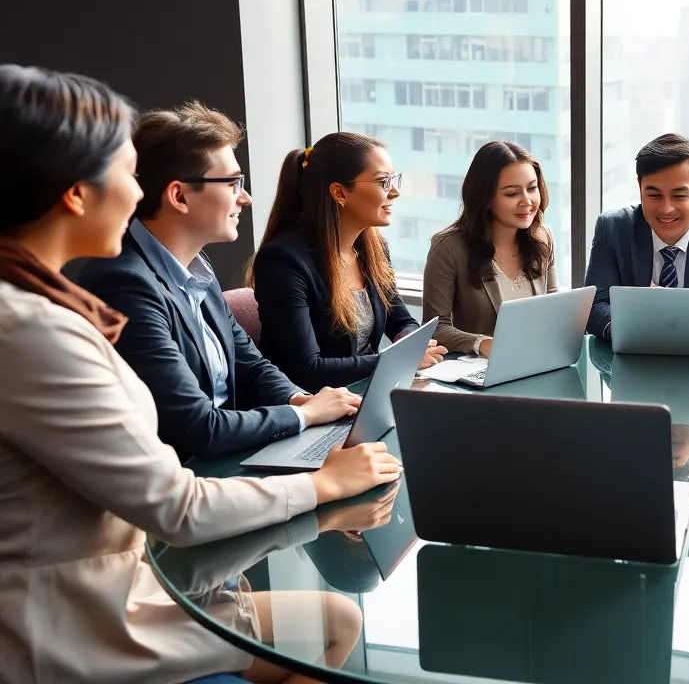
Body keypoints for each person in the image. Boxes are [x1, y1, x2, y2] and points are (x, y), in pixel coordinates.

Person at [0, 64, 401, 684]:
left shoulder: (41, 306)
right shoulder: (33, 330)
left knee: (331, 622)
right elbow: (177, 507)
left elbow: (241, 355)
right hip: (74, 625)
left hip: (115, 579)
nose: (137, 193)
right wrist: (323, 484)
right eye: (124, 173)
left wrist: (303, 403)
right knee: (330, 626)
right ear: (75, 194)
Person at [78, 103, 361, 460]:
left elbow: (249, 363)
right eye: (232, 183)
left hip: (231, 450)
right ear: (179, 196)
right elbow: (197, 429)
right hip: (185, 476)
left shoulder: (196, 265)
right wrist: (304, 415)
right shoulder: (124, 285)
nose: (246, 197)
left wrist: (299, 398)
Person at [249, 132, 445, 392]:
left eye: (393, 179)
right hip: (314, 404)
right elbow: (306, 369)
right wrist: (393, 361)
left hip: (367, 392)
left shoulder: (373, 249)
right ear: (340, 193)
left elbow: (400, 319)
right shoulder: (282, 261)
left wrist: (408, 339)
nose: (395, 192)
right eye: (383, 182)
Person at [584, 133, 689, 342]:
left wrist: (666, 308)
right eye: (654, 195)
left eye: (679, 196)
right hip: (631, 362)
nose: (666, 209)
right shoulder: (612, 229)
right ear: (640, 187)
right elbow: (595, 308)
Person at [421, 140, 558, 356]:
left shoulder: (543, 238)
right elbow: (435, 329)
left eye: (532, 188)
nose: (527, 201)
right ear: (485, 198)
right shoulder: (448, 247)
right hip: (475, 373)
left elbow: (553, 305)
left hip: (535, 361)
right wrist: (483, 344)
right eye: (512, 194)